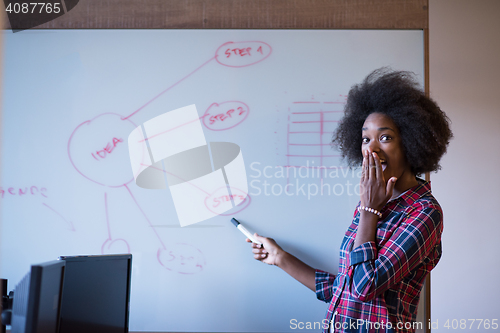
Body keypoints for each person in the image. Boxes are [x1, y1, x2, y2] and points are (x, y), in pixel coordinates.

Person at [247, 68, 453, 333]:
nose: (372, 148)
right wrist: (280, 258)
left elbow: (364, 287)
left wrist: (369, 211)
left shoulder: (424, 213)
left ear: (413, 143)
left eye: (386, 137)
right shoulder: (372, 204)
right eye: (366, 138)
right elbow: (345, 289)